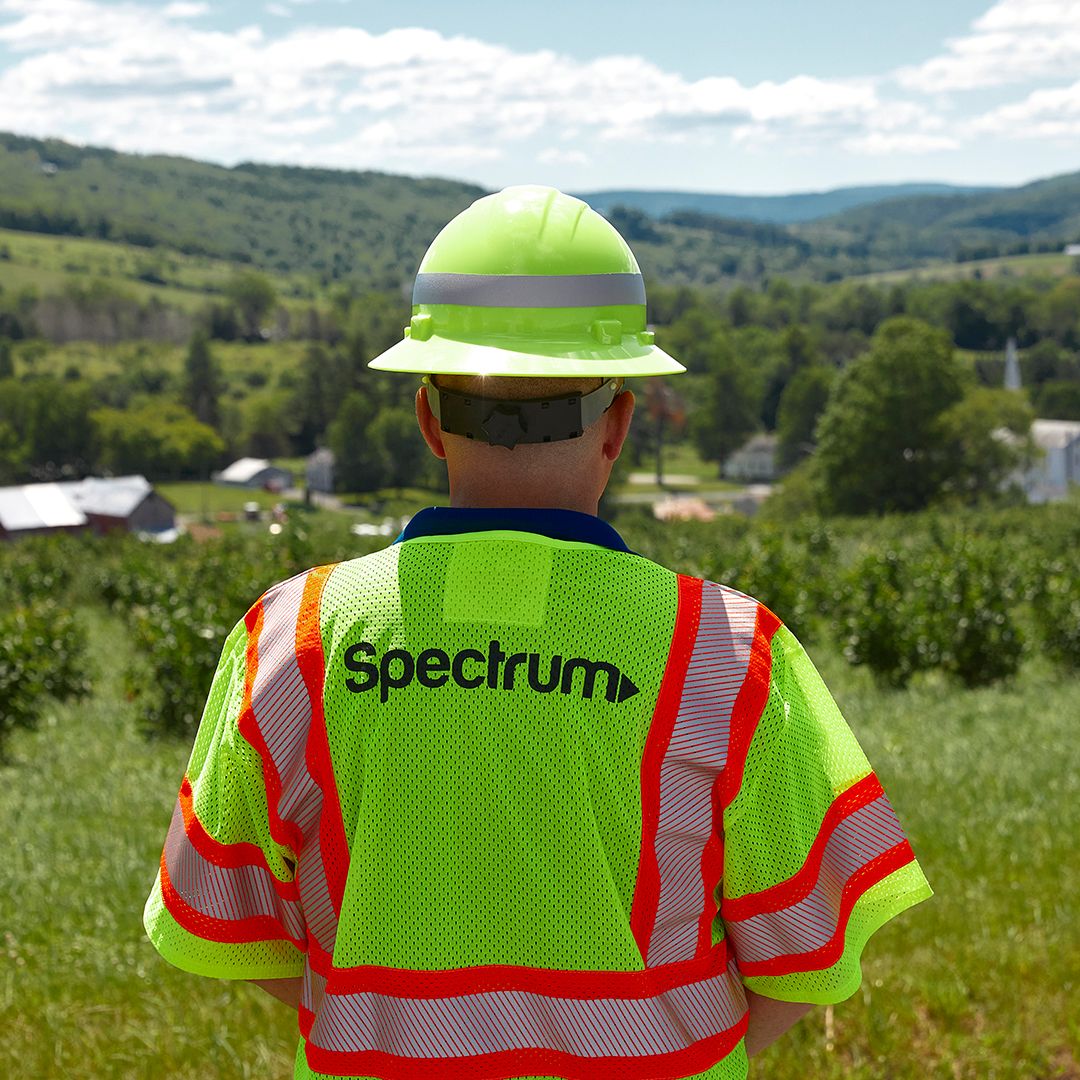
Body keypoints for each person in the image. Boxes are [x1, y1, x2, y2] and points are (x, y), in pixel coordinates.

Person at [144, 186, 931, 1080]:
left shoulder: (290, 639)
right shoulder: (725, 653)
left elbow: (225, 923)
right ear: (621, 428)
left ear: (429, 421)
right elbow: (809, 958)